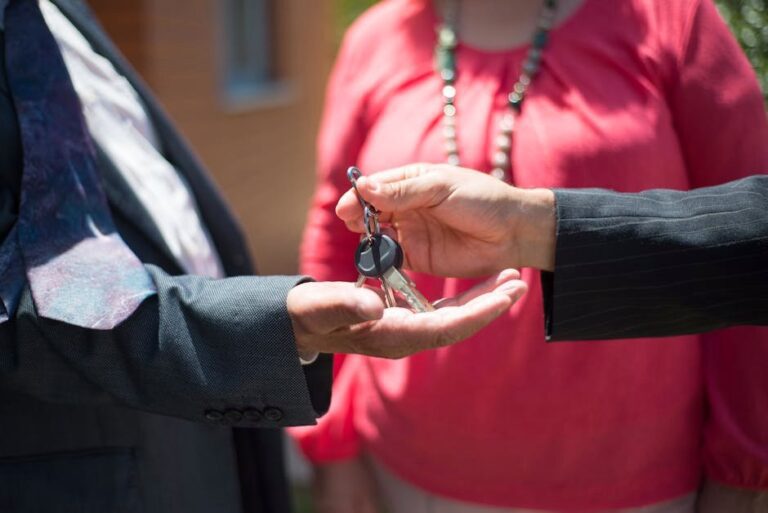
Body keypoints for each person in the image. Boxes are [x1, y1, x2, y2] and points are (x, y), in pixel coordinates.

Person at [0, 1, 526, 512]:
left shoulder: (56, 12)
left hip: (201, 442)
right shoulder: (381, 37)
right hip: (108, 466)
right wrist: (274, 331)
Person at [295, 0, 768, 512]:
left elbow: (744, 251)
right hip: (407, 470)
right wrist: (330, 445)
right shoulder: (378, 37)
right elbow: (332, 238)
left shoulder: (674, 20)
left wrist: (742, 469)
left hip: (632, 480)